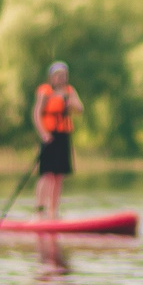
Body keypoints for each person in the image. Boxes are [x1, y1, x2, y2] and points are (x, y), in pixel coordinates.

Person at [31, 62, 82, 220]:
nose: (62, 78)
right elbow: (36, 114)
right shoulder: (45, 92)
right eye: (58, 75)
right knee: (47, 174)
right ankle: (40, 211)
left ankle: (53, 211)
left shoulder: (69, 92)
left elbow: (80, 109)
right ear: (52, 77)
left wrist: (69, 101)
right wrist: (44, 134)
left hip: (63, 136)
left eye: (64, 75)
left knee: (59, 175)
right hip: (50, 136)